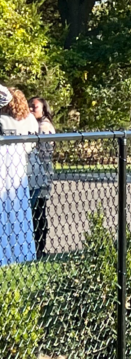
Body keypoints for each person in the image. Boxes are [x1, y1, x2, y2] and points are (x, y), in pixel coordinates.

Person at [0, 86, 40, 265]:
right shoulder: (30, 119)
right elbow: (33, 142)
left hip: (6, 163)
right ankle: (23, 250)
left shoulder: (3, 119)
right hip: (24, 164)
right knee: (21, 208)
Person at [28, 96, 56, 255]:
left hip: (42, 171)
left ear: (44, 109)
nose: (31, 109)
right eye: (29, 106)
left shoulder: (43, 127)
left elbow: (41, 151)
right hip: (38, 170)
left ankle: (39, 245)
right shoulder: (36, 124)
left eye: (35, 107)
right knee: (38, 208)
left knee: (38, 208)